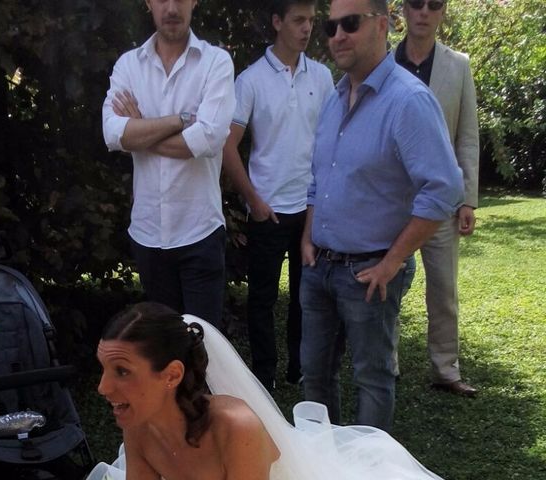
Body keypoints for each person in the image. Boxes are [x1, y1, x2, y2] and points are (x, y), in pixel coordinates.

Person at [299, 0, 464, 432]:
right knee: (314, 377)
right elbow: (320, 176)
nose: (337, 36)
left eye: (349, 24)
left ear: (383, 25)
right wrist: (308, 235)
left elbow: (444, 188)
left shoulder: (408, 101)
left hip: (370, 271)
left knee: (371, 379)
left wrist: (391, 262)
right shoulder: (336, 97)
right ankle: (323, 466)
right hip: (320, 267)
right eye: (331, 27)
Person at [88, 302, 444, 480]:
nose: (104, 388)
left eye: (122, 371)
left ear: (171, 375)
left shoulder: (236, 426)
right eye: (104, 369)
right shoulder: (137, 422)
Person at [101, 0, 235, 330]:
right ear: (148, 3)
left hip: (199, 231)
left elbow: (208, 139)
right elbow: (113, 133)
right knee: (162, 348)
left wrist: (141, 129)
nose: (171, 7)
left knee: (205, 348)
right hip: (148, 234)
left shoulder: (216, 62)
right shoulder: (129, 65)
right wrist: (181, 120)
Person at [222, 0, 334, 392]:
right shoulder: (250, 80)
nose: (307, 29)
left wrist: (322, 199)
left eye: (311, 21)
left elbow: (332, 141)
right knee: (262, 299)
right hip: (267, 209)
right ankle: (264, 376)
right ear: (277, 22)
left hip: (310, 209)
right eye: (298, 20)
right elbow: (227, 146)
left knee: (308, 297)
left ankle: (299, 369)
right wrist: (254, 200)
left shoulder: (321, 77)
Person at [396, 0, 479, 397]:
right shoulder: (385, 62)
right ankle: (386, 361)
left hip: (441, 201)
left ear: (443, 13)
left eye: (434, 5)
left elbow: (467, 136)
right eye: (416, 4)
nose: (424, 12)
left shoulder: (458, 65)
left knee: (443, 290)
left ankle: (446, 369)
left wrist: (468, 199)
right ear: (403, 12)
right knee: (388, 282)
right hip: (392, 198)